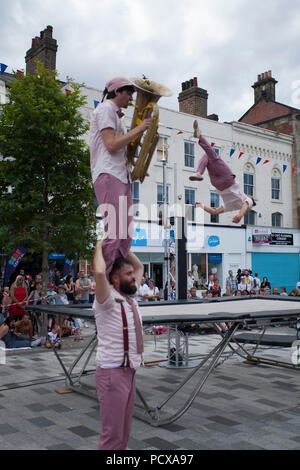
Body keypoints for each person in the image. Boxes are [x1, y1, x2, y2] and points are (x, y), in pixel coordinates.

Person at [89, 77, 152, 279]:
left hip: (120, 175)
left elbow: (120, 150)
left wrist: (139, 164)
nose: (132, 98)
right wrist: (140, 128)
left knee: (125, 236)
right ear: (117, 92)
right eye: (129, 93)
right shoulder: (106, 109)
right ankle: (105, 284)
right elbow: (111, 145)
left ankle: (115, 281)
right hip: (108, 174)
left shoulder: (117, 116)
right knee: (116, 233)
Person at [93, 239, 144, 450]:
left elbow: (140, 266)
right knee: (112, 435)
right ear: (115, 279)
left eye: (133, 274)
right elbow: (98, 273)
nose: (134, 277)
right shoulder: (106, 299)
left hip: (129, 371)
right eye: (128, 274)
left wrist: (123, 246)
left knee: (123, 432)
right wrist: (99, 247)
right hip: (112, 373)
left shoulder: (129, 295)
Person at [191, 121, 255, 224]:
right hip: (217, 184)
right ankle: (199, 173)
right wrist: (200, 206)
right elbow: (214, 212)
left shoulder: (248, 201)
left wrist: (240, 215)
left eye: (249, 196)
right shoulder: (230, 207)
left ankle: (200, 137)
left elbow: (246, 205)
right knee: (207, 156)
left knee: (215, 158)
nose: (248, 195)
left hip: (228, 180)